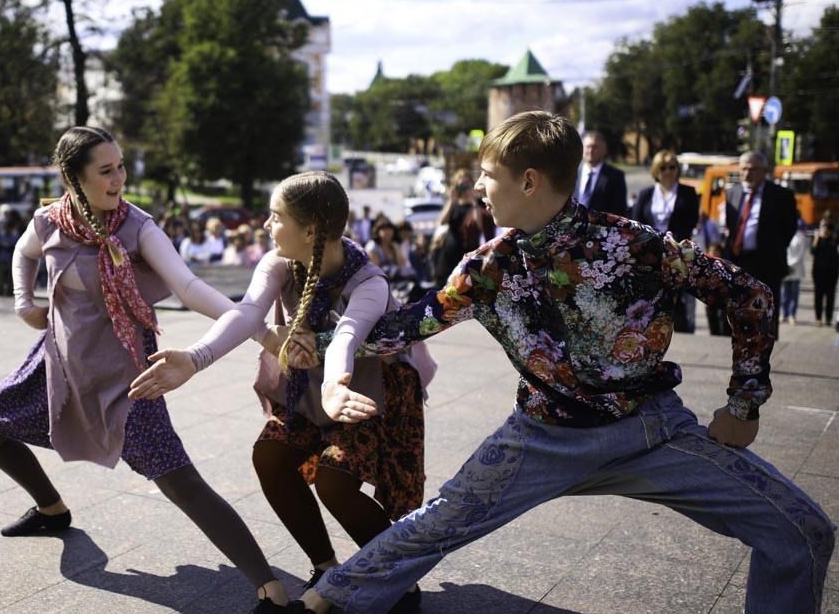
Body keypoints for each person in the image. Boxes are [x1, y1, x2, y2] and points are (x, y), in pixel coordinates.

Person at [284, 111, 835, 614]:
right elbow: (408, 326)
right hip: (541, 436)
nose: (477, 186)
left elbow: (751, 296)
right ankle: (336, 593)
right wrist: (324, 336)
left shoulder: (635, 244)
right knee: (439, 520)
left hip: (650, 431)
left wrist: (744, 403)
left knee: (803, 532)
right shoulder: (487, 267)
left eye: (487, 174)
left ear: (528, 180)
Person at [0, 126, 292, 613]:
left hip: (127, 373)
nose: (118, 178)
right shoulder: (50, 221)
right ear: (74, 177)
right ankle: (52, 509)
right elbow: (23, 252)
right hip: (59, 360)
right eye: (106, 170)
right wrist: (22, 303)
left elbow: (188, 286)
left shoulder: (137, 227)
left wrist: (261, 332)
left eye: (120, 166)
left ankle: (269, 587)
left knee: (180, 481)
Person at [129, 170, 436, 613]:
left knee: (335, 482)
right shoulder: (278, 263)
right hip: (309, 389)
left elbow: (348, 337)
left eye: (276, 218)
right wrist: (196, 358)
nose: (266, 227)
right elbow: (248, 312)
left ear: (310, 230)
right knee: (270, 456)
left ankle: (399, 573)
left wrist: (333, 385)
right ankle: (326, 566)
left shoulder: (368, 282)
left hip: (366, 391)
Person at [723, 151, 799, 339]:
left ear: (764, 171)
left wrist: (772, 248)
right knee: (739, 310)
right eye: (744, 169)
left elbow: (789, 228)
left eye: (753, 169)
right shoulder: (732, 193)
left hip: (767, 264)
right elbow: (731, 227)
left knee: (766, 313)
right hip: (738, 262)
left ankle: (766, 350)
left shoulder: (781, 195)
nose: (747, 173)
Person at [630, 150, 701, 332]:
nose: (668, 171)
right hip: (649, 255)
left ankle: (683, 330)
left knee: (678, 299)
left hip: (678, 253)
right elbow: (636, 222)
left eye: (672, 167)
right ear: (656, 170)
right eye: (663, 167)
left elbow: (690, 221)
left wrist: (670, 243)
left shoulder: (688, 193)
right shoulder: (646, 194)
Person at [430, 169, 493, 287]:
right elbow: (442, 221)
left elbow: (479, 225)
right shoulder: (454, 203)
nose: (464, 188)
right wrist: (451, 200)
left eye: (467, 184)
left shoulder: (477, 203)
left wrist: (473, 201)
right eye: (461, 185)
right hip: (450, 251)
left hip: (468, 250)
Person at [574, 130, 628, 217]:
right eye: (588, 147)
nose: (591, 151)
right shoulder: (573, 173)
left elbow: (619, 210)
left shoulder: (615, 176)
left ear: (604, 149)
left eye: (595, 147)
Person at [812, 218, 838, 328]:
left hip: (832, 273)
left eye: (827, 228)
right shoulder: (818, 239)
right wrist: (816, 238)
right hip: (818, 272)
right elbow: (812, 251)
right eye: (824, 227)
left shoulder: (834, 240)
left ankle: (828, 318)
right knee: (818, 296)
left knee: (830, 296)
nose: (825, 230)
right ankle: (818, 318)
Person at [781, 219, 808, 326]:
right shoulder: (784, 234)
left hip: (795, 269)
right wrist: (785, 264)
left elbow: (800, 254)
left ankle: (792, 314)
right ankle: (784, 313)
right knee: (784, 293)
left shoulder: (800, 237)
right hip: (786, 268)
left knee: (794, 293)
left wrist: (791, 264)